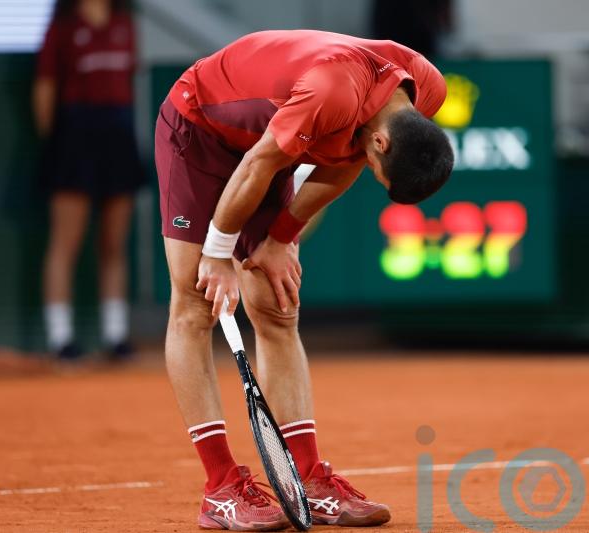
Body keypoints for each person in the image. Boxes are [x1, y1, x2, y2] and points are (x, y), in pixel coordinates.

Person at [155, 30, 453, 530]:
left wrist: (279, 238)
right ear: (385, 140)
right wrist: (218, 253)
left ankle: (309, 481)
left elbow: (348, 163)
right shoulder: (332, 93)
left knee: (276, 304)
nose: (373, 171)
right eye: (385, 174)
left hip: (272, 141)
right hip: (202, 130)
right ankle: (221, 488)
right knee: (193, 303)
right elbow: (257, 165)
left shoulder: (423, 91)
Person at [33, 0, 144, 360]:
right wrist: (59, 144)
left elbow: (129, 81)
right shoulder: (61, 28)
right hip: (74, 137)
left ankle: (116, 336)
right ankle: (61, 338)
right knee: (66, 241)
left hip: (117, 134)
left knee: (114, 242)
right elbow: (45, 90)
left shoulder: (125, 25)